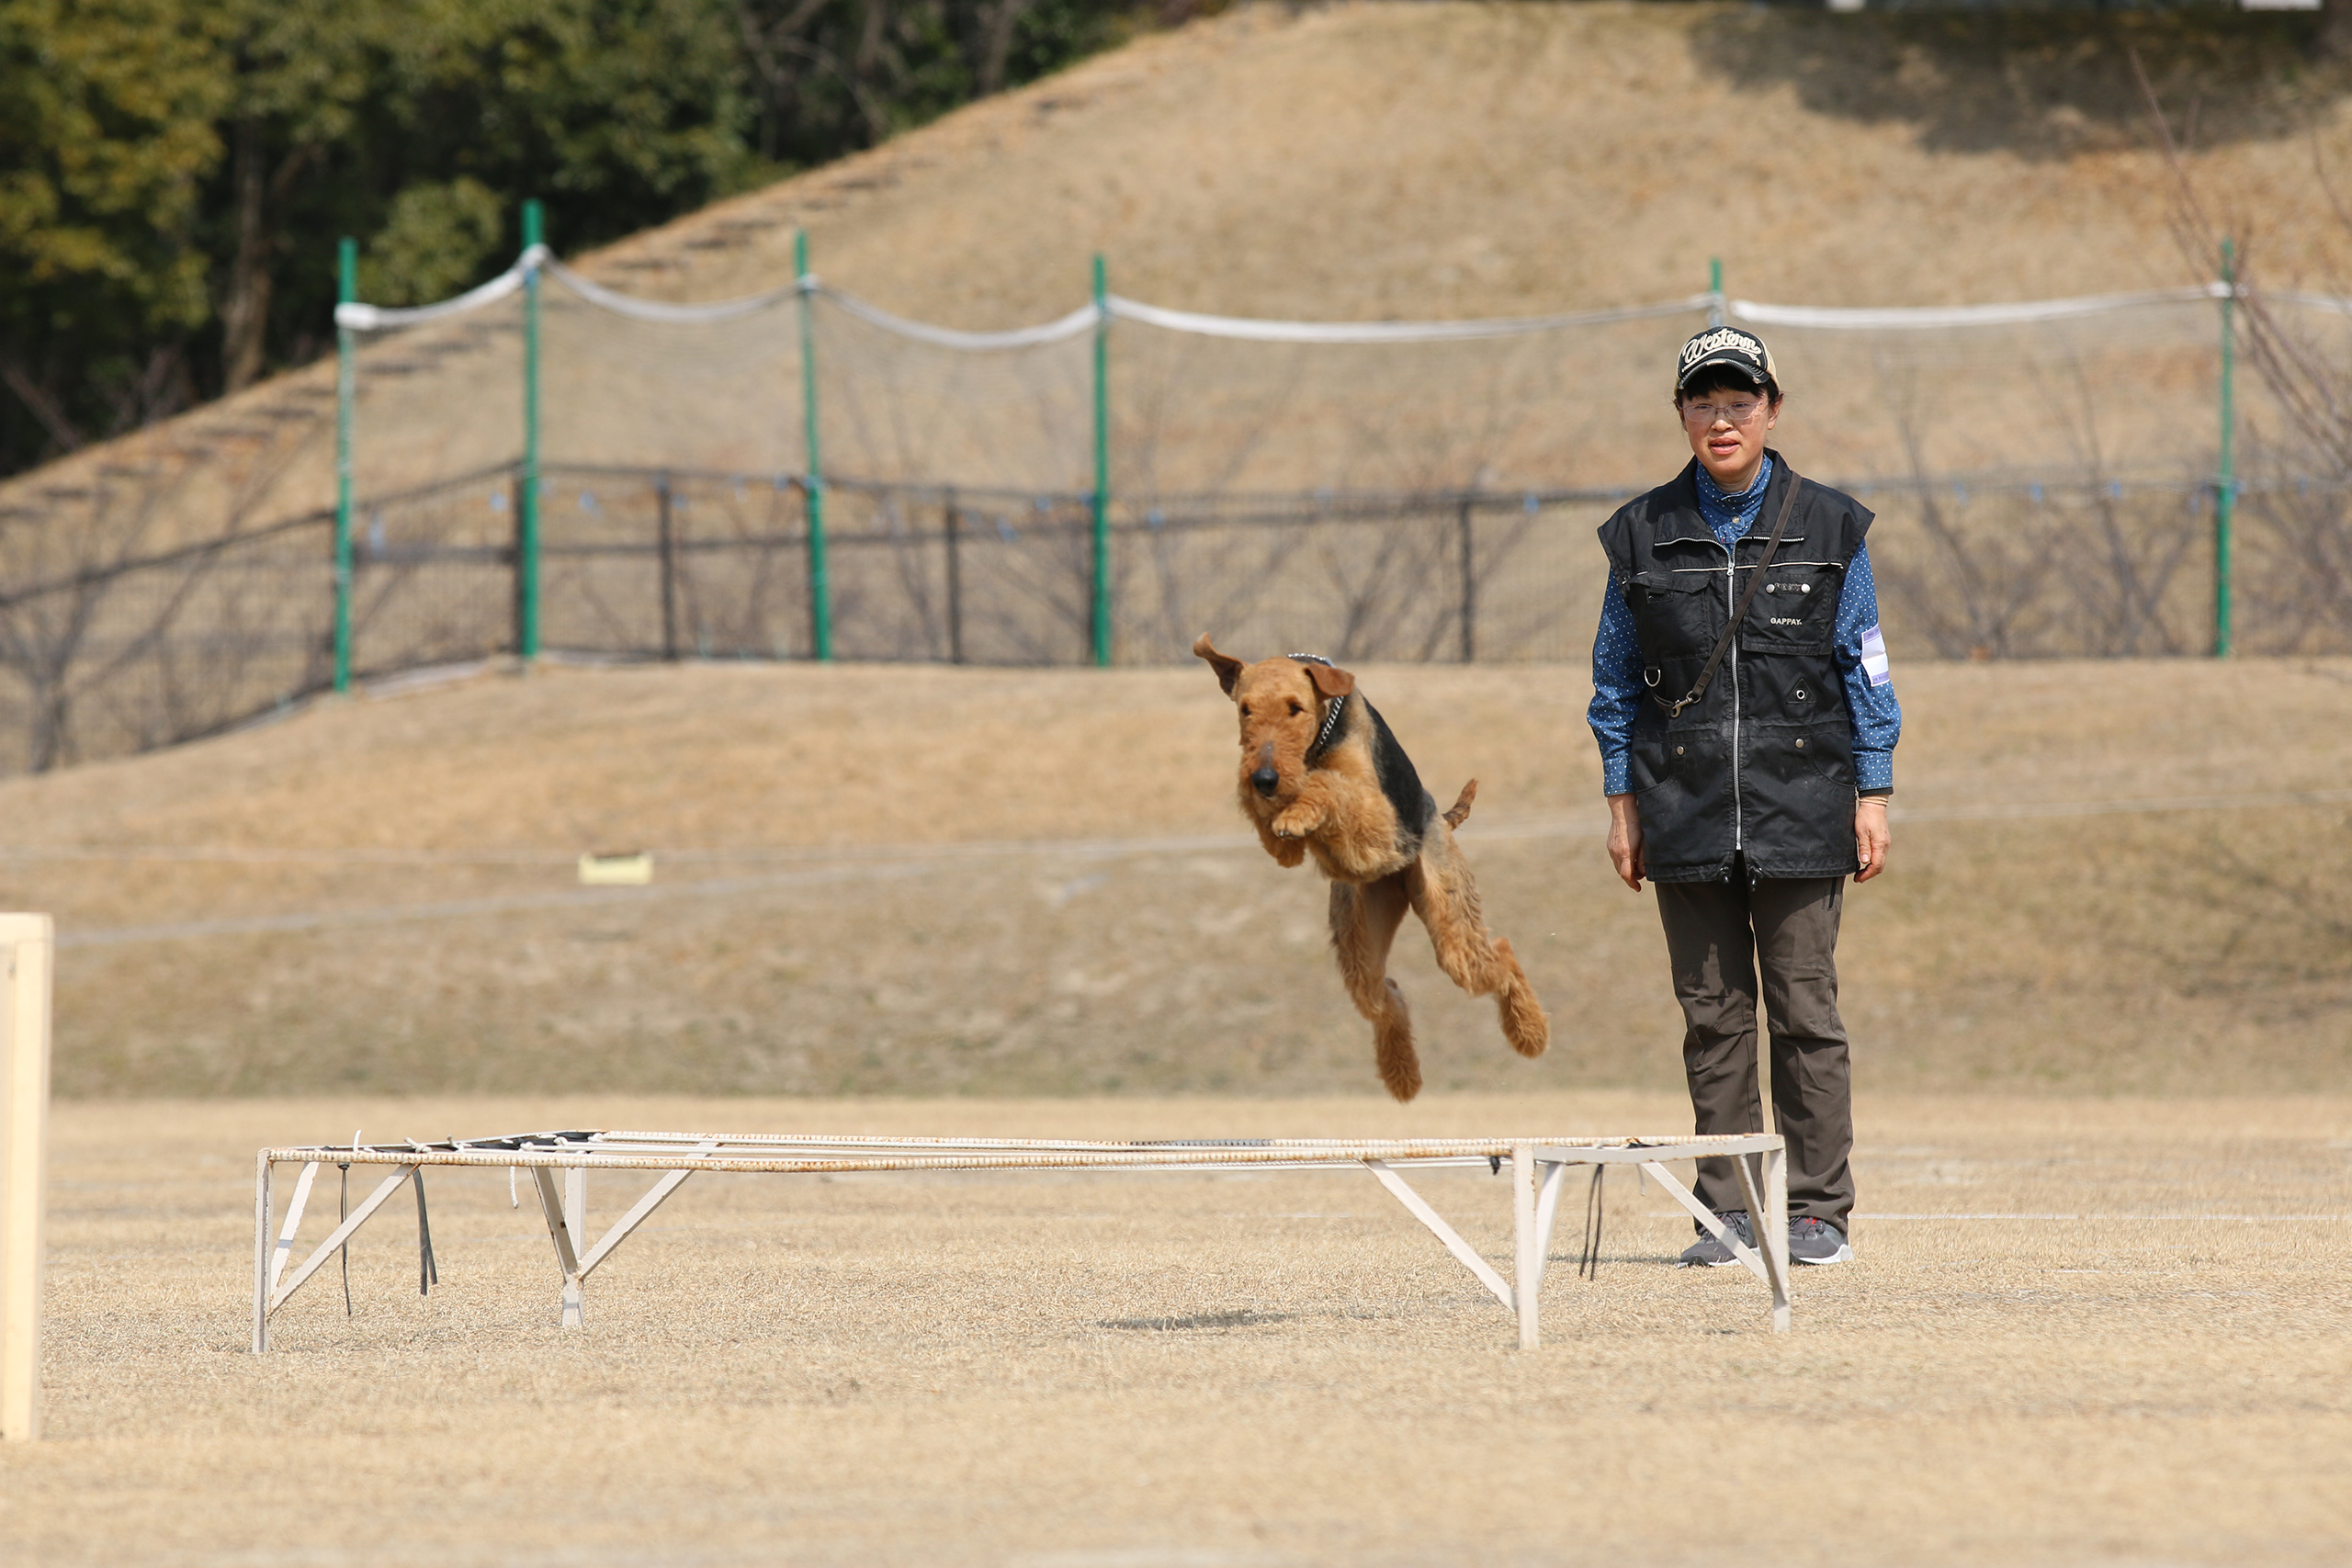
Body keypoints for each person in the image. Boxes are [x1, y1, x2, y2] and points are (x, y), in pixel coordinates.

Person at [1585, 325, 1900, 1269]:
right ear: (1680, 415)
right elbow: (1612, 680)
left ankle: (1816, 1212)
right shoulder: (1638, 532)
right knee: (1712, 1016)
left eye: (1739, 402)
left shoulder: (1832, 526)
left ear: (1770, 409)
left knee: (1805, 1010)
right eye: (1703, 403)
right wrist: (1620, 803)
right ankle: (1723, 1211)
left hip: (1804, 798)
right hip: (1678, 802)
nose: (1721, 420)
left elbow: (1866, 669)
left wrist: (1872, 789)